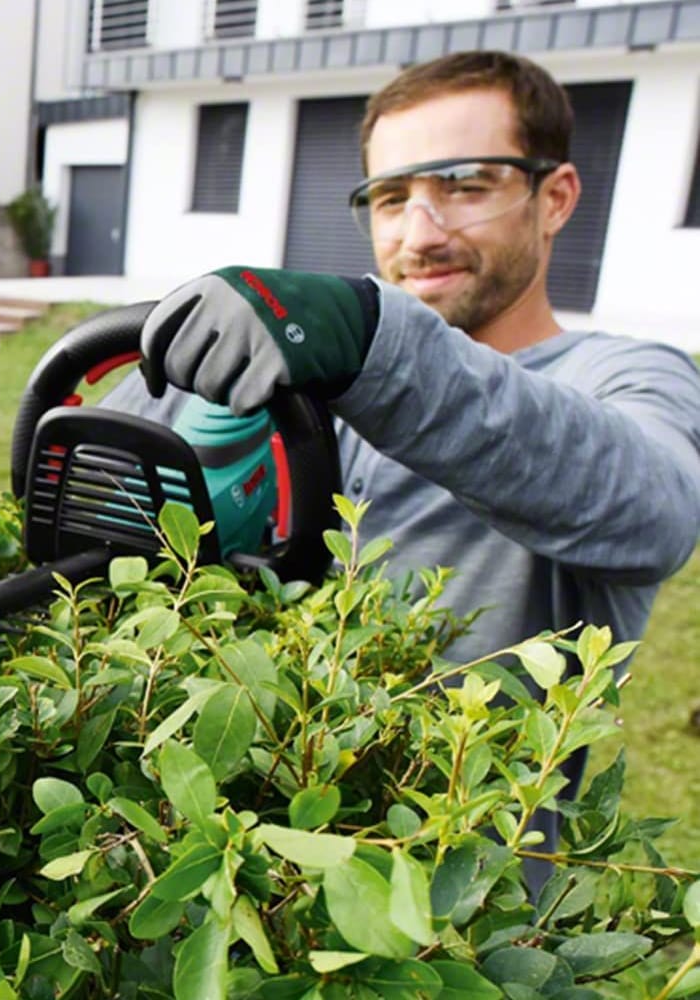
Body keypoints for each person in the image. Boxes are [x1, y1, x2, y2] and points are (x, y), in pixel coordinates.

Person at [99, 51, 700, 889]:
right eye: (391, 198)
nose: (420, 234)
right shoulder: (328, 378)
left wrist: (372, 340)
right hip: (250, 867)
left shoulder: (626, 376)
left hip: (458, 917)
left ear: (554, 195)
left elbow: (656, 510)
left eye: (465, 185)